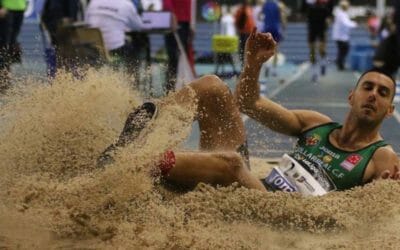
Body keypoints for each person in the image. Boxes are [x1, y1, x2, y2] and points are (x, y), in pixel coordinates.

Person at [99, 29, 400, 195]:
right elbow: (250, 104)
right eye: (368, 87)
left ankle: (131, 165)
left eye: (383, 93)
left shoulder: (381, 155)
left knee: (231, 163)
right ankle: (141, 131)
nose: (373, 94)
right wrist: (253, 66)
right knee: (213, 86)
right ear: (352, 95)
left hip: (277, 209)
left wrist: (386, 191)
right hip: (253, 187)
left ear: (390, 110)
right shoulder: (316, 125)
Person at [162, 0, 194, 93]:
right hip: (175, 20)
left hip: (185, 22)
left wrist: (191, 24)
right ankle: (170, 90)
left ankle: (181, 89)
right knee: (174, 59)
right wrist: (171, 14)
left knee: (182, 57)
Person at [302, 0, 334, 82]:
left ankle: (323, 63)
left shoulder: (325, 9)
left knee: (321, 50)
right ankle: (313, 72)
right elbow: (303, 12)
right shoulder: (309, 8)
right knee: (312, 51)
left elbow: (329, 18)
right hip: (312, 30)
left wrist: (327, 24)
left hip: (322, 30)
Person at [332, 0, 357, 71]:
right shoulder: (341, 14)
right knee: (343, 49)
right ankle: (339, 63)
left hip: (342, 36)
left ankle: (340, 62)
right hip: (340, 37)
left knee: (343, 50)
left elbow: (347, 22)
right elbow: (346, 23)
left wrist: (353, 23)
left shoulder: (343, 13)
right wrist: (354, 24)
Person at [234, 0, 255, 67]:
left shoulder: (250, 9)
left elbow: (252, 22)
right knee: (243, 49)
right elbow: (237, 21)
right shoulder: (240, 10)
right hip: (243, 33)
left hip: (249, 32)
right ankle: (243, 64)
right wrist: (239, 30)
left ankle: (248, 63)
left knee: (249, 49)